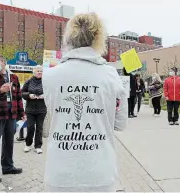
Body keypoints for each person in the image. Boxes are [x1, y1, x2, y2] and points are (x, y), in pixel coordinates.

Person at [42, 12, 128, 192]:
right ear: (99, 37)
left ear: (69, 37)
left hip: (60, 173)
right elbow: (120, 123)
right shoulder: (111, 75)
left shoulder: (50, 75)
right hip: (99, 172)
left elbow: (53, 115)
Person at [0, 54, 26, 184]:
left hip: (11, 113)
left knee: (9, 142)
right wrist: (0, 91)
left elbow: (18, 97)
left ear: (3, 62)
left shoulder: (13, 77)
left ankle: (8, 167)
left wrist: (21, 113)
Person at [21, 65, 47, 154]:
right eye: (38, 71)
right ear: (34, 72)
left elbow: (51, 93)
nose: (40, 72)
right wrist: (29, 95)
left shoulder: (46, 82)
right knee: (30, 127)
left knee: (39, 128)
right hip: (30, 110)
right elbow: (22, 93)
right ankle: (28, 144)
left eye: (41, 71)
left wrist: (45, 96)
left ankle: (38, 146)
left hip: (41, 109)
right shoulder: (28, 81)